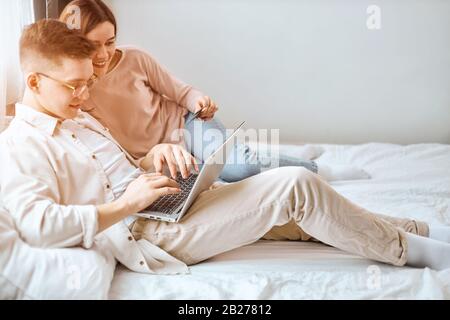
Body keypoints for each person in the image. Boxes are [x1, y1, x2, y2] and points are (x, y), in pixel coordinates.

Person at [2, 20, 450, 276]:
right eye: (75, 85)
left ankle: (419, 232)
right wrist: (126, 205)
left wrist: (152, 158)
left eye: (88, 83)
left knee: (291, 208)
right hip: (145, 232)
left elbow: (121, 168)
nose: (84, 94)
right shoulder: (21, 146)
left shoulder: (74, 117)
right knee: (294, 185)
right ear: (35, 81)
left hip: (165, 200)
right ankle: (412, 252)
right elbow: (39, 225)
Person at [59, 0, 370, 183]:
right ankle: (292, 154)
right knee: (226, 173)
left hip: (187, 125)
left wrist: (198, 101)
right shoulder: (74, 90)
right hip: (163, 158)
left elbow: (181, 91)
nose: (103, 54)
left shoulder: (135, 59)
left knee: (239, 169)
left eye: (110, 42)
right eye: (92, 45)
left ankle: (320, 170)